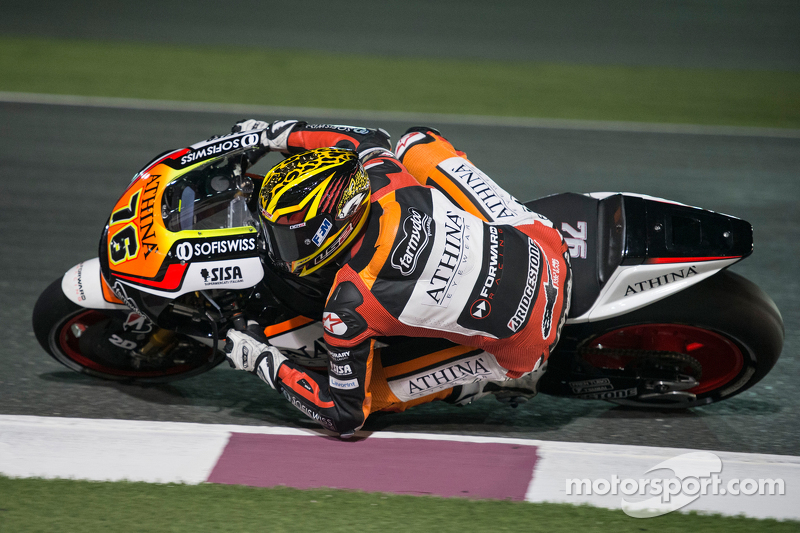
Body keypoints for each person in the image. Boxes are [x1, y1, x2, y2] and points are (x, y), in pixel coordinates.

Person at [224, 119, 571, 437]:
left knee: (369, 395)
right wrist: (274, 134)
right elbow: (367, 138)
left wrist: (263, 361)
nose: (277, 248)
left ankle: (485, 382)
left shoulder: (347, 305)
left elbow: (343, 416)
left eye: (289, 237)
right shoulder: (383, 177)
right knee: (416, 141)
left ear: (338, 225)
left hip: (529, 343)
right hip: (548, 246)